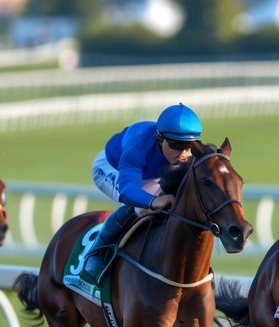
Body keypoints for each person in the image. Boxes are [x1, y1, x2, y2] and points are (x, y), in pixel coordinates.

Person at [83, 103, 201, 280]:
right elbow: (128, 191)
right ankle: (96, 253)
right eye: (176, 145)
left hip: (150, 175)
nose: (184, 153)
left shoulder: (184, 151)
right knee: (140, 207)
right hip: (113, 167)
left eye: (189, 145)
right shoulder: (139, 144)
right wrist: (154, 201)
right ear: (160, 138)